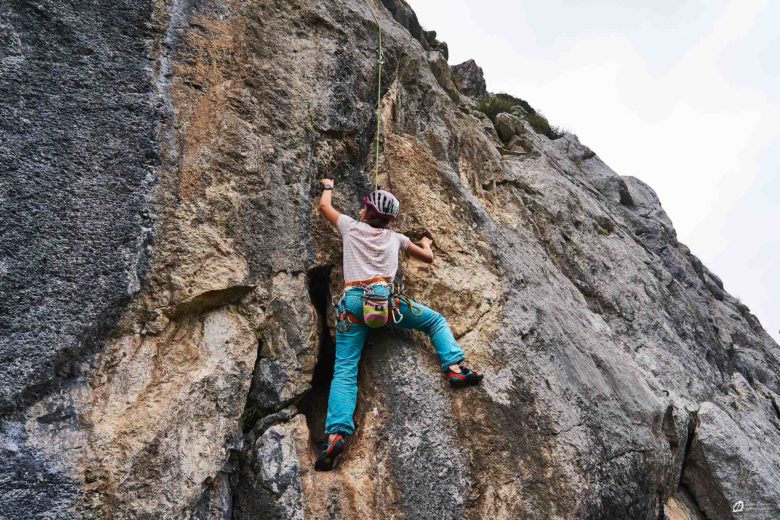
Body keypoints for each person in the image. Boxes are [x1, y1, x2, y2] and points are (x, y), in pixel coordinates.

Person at [314, 178, 483, 471]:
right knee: (434, 321)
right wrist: (427, 242)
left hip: (353, 303)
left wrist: (328, 185)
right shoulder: (396, 238)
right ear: (389, 220)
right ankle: (455, 369)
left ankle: (336, 435)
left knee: (345, 369)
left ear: (366, 213)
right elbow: (427, 257)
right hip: (386, 304)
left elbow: (324, 206)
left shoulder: (351, 227)